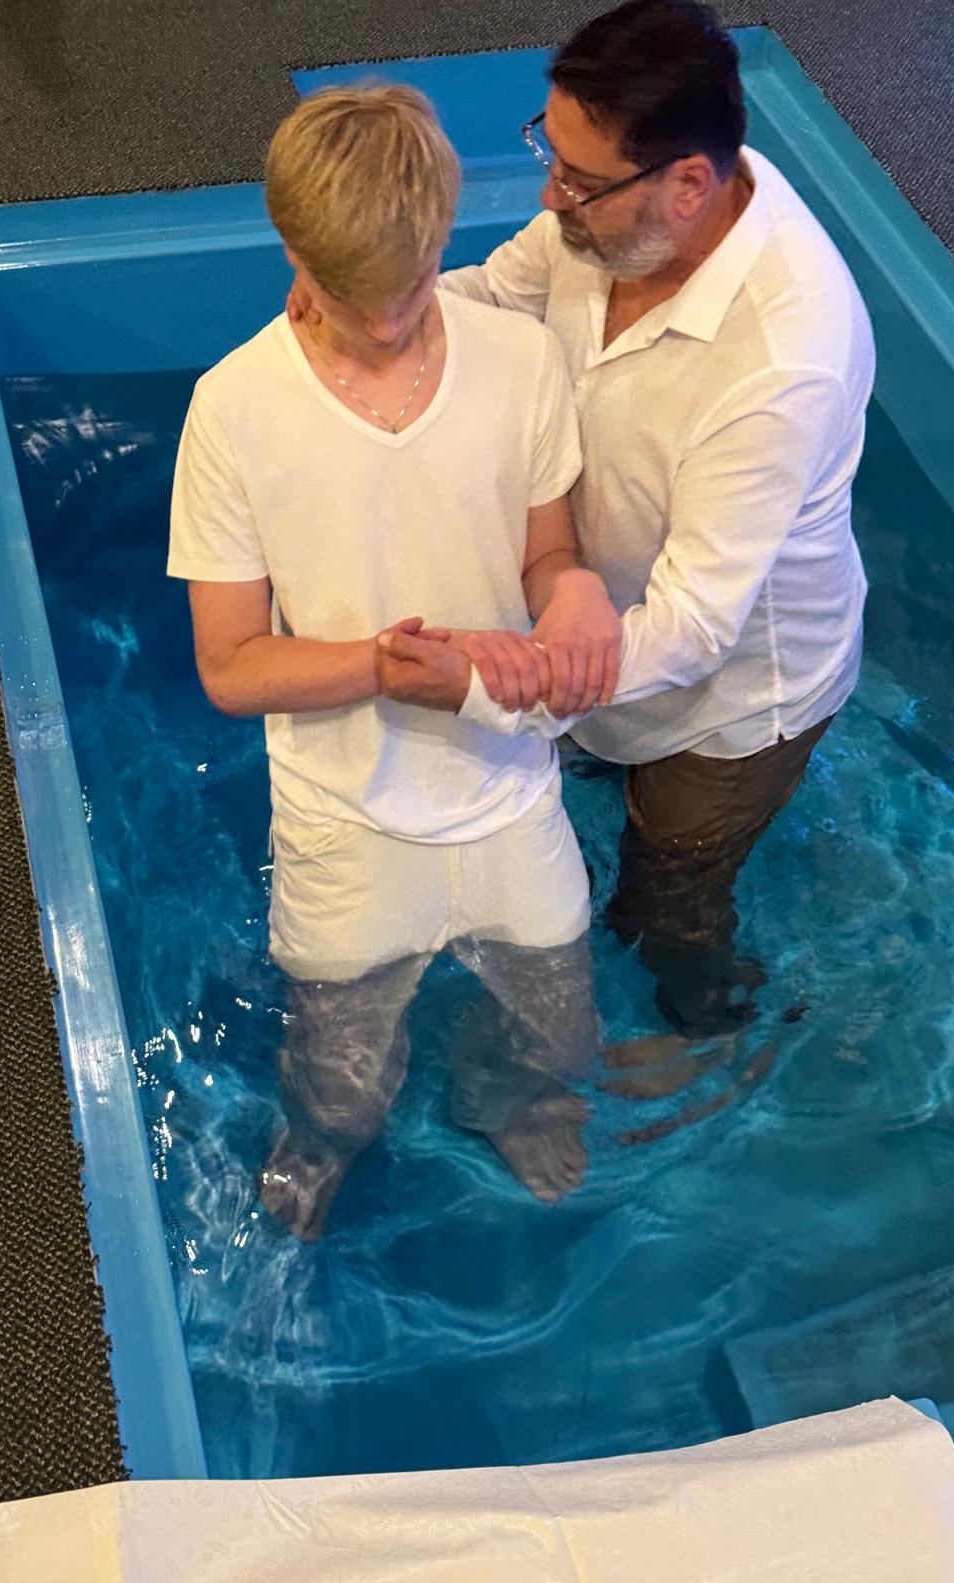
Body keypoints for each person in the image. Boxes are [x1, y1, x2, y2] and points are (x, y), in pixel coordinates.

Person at [365, 0, 877, 1043]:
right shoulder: (615, 217)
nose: (548, 197)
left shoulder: (785, 362)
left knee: (666, 907)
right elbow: (492, 297)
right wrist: (368, 307)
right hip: (604, 611)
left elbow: (693, 630)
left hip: (732, 701)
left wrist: (491, 678)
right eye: (548, 156)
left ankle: (711, 1033)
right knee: (587, 776)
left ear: (688, 185)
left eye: (577, 180)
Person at [168, 83, 625, 1241]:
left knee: (563, 1039)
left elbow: (548, 551)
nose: (382, 326)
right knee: (343, 1091)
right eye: (349, 295)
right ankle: (321, 1140)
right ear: (293, 252)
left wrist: (572, 595)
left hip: (503, 781)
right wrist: (383, 666)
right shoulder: (233, 410)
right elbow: (230, 667)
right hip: (345, 807)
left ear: (442, 241)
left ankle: (502, 1099)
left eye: (412, 288)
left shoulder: (519, 362)